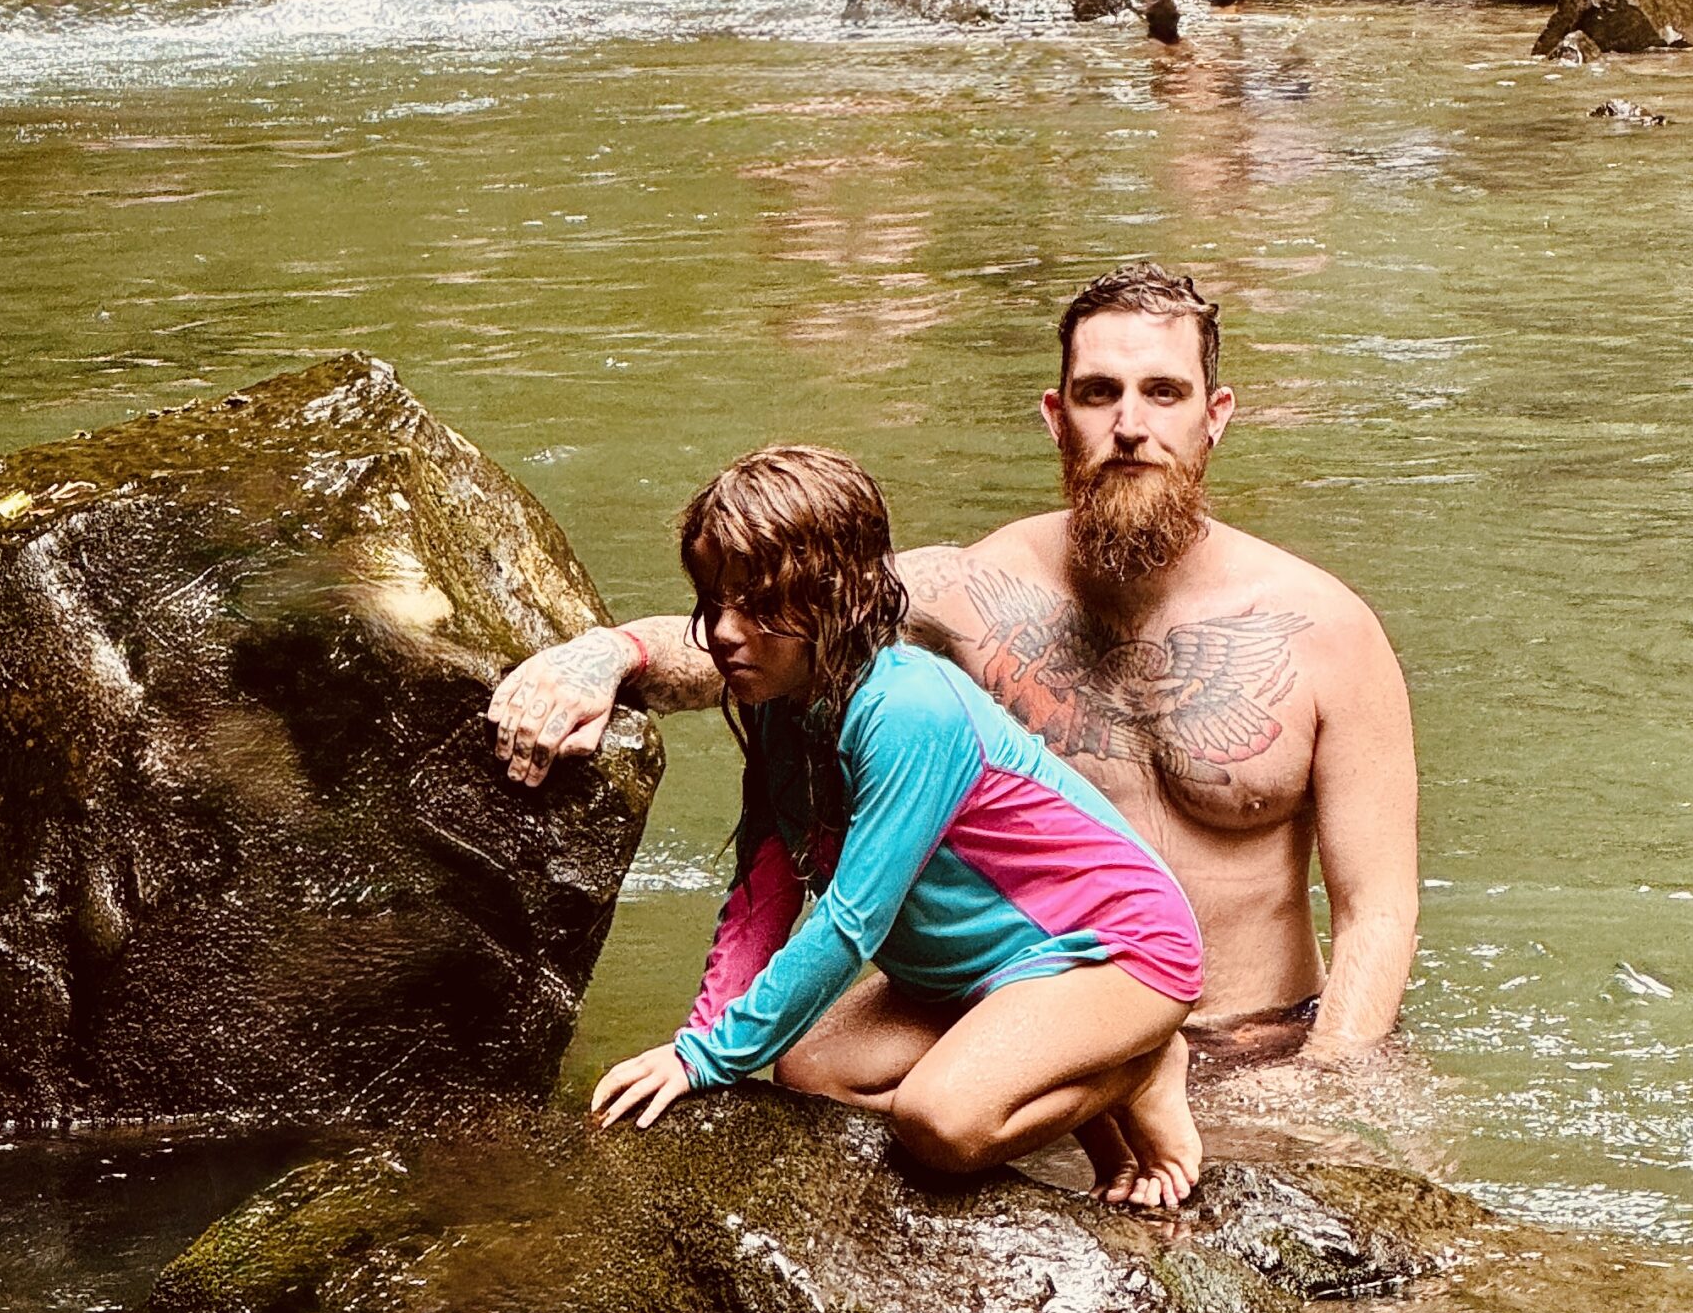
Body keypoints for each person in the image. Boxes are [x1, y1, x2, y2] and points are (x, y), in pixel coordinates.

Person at [493, 263, 1418, 1081]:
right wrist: (609, 653)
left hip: (1255, 1038)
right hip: (1016, 1004)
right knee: (807, 1068)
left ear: (1215, 417)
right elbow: (773, 629)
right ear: (1057, 418)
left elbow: (1375, 909)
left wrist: (1324, 1082)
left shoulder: (1324, 630)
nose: (1130, 425)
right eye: (1099, 393)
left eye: (1163, 392)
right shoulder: (972, 589)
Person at [583, 442, 1207, 1210]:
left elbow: (852, 921)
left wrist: (709, 1059)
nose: (722, 631)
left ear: (835, 598)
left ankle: (1140, 1063)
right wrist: (695, 1050)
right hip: (973, 978)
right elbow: (760, 900)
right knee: (810, 1073)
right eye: (713, 601)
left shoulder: (908, 709)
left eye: (757, 604)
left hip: (1113, 949)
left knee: (939, 1124)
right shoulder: (779, 708)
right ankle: (1078, 1073)